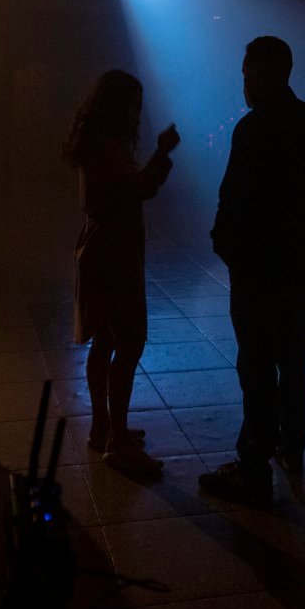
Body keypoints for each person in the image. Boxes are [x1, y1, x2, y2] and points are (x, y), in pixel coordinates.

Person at [199, 36, 305, 505]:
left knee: (256, 361)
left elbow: (233, 196)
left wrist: (225, 244)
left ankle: (254, 465)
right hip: (297, 262)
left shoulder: (252, 129)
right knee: (293, 353)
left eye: (248, 73)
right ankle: (292, 444)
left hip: (256, 266)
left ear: (266, 73)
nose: (244, 82)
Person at [62, 70, 180, 474]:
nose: (137, 114)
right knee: (129, 341)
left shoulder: (96, 142)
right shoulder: (107, 148)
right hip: (114, 252)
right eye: (133, 106)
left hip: (101, 247)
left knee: (106, 340)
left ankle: (104, 427)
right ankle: (117, 442)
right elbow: (139, 188)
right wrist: (162, 154)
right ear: (119, 107)